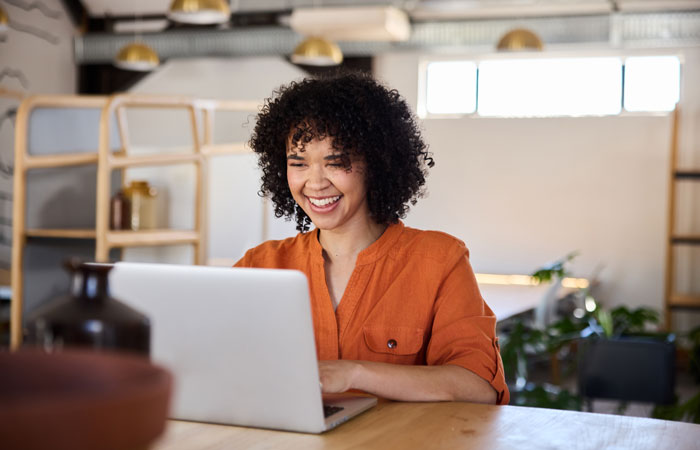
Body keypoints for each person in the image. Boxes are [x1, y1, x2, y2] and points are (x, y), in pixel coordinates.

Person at [235, 72, 509, 405]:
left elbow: (478, 387)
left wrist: (353, 374)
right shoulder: (258, 266)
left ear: (376, 164)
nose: (315, 182)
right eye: (299, 163)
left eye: (336, 162)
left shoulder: (439, 260)